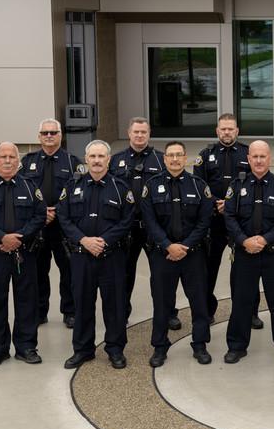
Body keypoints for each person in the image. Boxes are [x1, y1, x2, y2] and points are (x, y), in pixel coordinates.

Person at [58, 140, 135, 370]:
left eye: (101, 156)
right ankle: (83, 350)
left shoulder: (121, 188)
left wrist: (104, 241)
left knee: (115, 306)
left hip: (111, 256)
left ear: (109, 160)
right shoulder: (73, 186)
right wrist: (84, 240)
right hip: (82, 256)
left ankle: (115, 349)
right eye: (93, 156)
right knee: (82, 304)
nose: (97, 160)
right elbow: (64, 218)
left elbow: (127, 219)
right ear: (86, 158)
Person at [0, 142, 47, 367]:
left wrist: (18, 238)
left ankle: (26, 347)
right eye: (2, 156)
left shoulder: (30, 187)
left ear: (18, 160)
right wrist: (2, 238)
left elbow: (39, 215)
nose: (7, 160)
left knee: (27, 301)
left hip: (24, 253)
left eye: (11, 157)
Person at [141, 141, 215, 367]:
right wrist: (167, 246)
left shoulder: (199, 186)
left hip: (192, 254)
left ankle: (200, 344)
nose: (174, 159)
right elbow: (149, 221)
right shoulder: (151, 186)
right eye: (170, 155)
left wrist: (185, 247)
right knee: (162, 302)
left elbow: (205, 222)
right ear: (164, 159)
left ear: (186, 158)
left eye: (179, 155)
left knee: (199, 301)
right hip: (162, 254)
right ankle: (160, 347)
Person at [223, 141, 274, 364]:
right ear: (248, 158)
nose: (258, 160)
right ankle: (237, 346)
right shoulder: (236, 186)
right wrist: (244, 241)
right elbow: (229, 216)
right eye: (254, 156)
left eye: (262, 156)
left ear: (269, 159)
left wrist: (265, 239)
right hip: (245, 253)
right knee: (241, 301)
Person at [193, 113, 263, 328]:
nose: (226, 132)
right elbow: (198, 186)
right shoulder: (205, 155)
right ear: (217, 131)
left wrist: (231, 207)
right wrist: (216, 203)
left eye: (230, 129)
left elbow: (254, 183)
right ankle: (207, 310)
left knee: (245, 270)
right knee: (208, 268)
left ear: (237, 131)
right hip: (213, 222)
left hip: (240, 222)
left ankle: (250, 312)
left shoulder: (247, 153)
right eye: (223, 129)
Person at [109, 117, 179, 329]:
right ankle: (122, 313)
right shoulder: (116, 160)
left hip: (154, 228)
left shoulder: (160, 159)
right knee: (123, 274)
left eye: (144, 132)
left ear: (149, 135)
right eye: (136, 132)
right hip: (126, 228)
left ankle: (168, 313)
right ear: (129, 133)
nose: (140, 136)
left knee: (162, 274)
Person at [21, 118, 84, 329]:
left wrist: (57, 210)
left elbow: (80, 192)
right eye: (45, 133)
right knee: (38, 270)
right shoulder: (27, 161)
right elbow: (22, 191)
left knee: (69, 270)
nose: (49, 136)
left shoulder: (73, 162)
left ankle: (70, 311)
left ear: (60, 135)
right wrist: (40, 213)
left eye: (53, 132)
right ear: (39, 137)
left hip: (64, 227)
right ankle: (39, 311)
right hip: (37, 226)